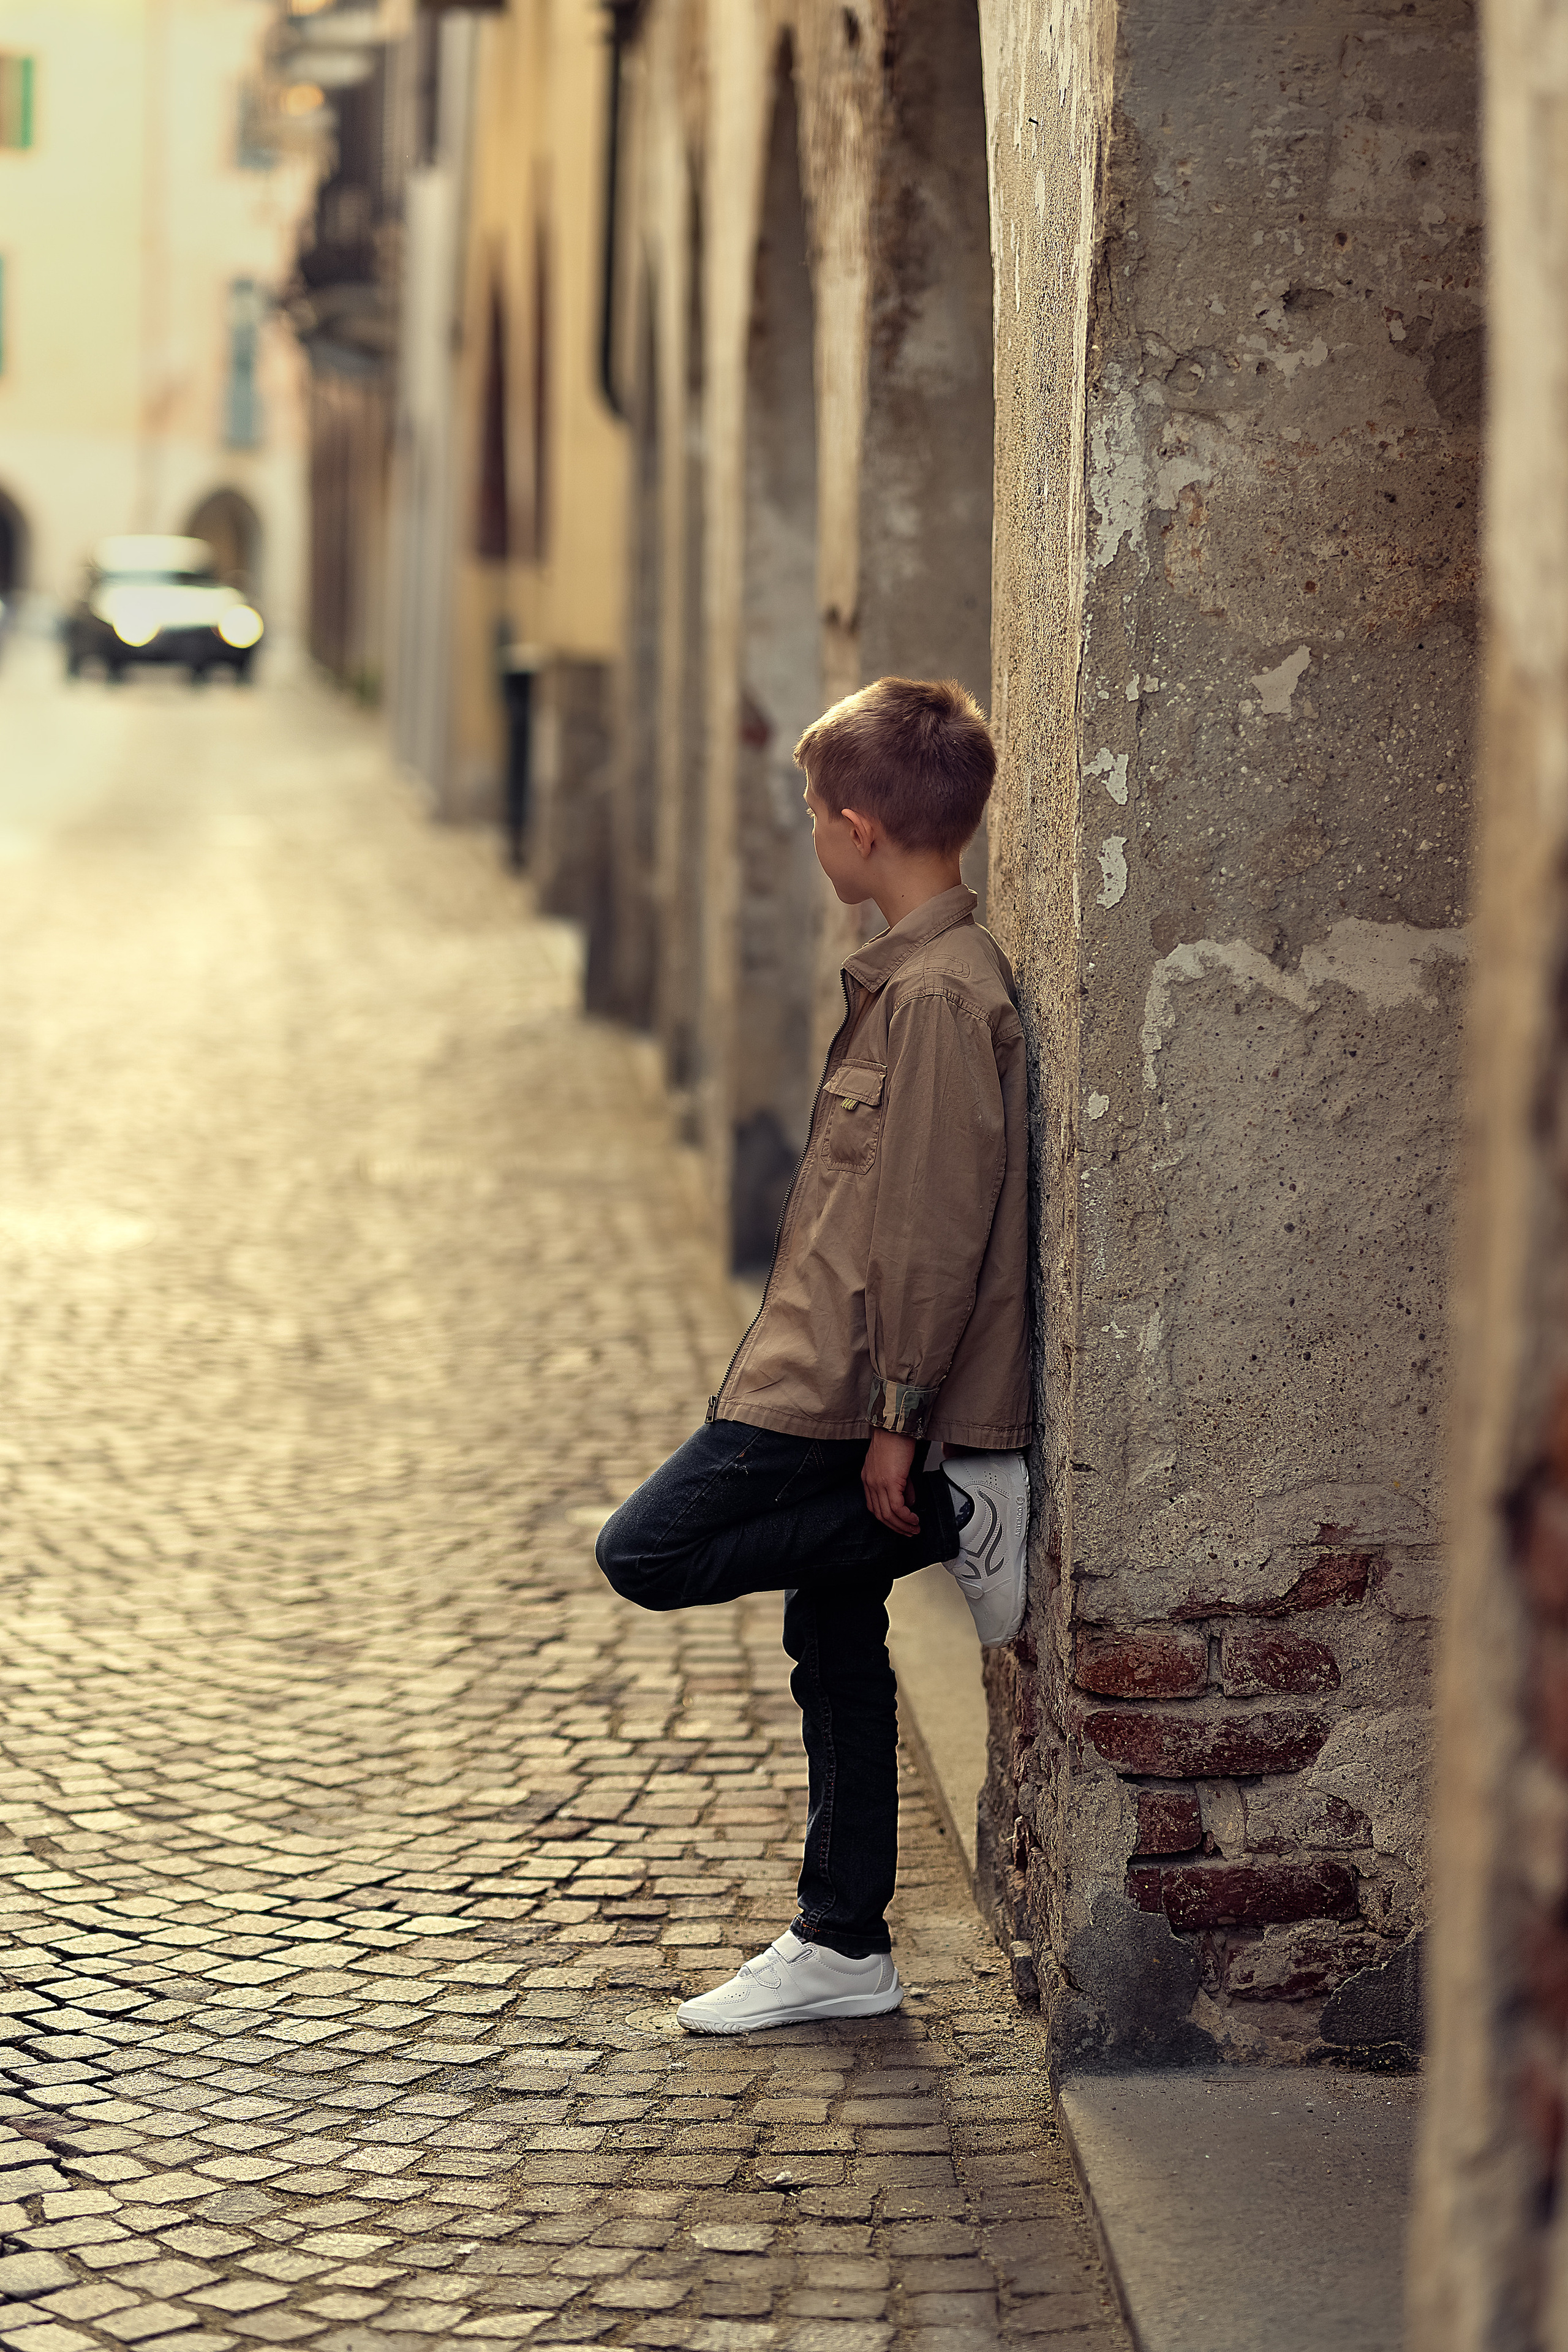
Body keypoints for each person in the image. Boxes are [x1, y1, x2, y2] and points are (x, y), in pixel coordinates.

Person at [597, 675, 1031, 2034]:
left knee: (644, 1551)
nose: (805, 833)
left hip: (841, 1392)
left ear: (856, 827)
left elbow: (929, 1231)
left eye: (806, 812)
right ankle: (843, 1940)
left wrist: (902, 1425)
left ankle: (954, 1521)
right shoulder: (910, 980)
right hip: (835, 1380)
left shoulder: (943, 1001)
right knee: (829, 1636)